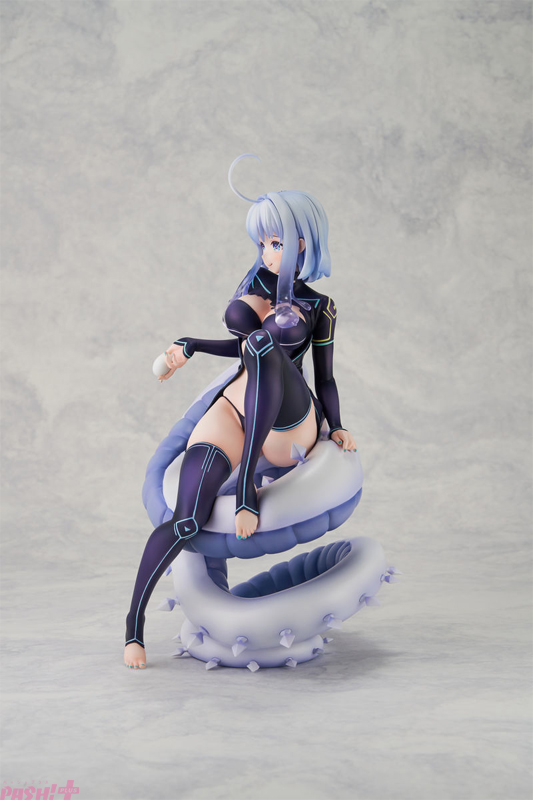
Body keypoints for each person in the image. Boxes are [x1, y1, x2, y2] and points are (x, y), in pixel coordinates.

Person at [124, 160, 356, 669]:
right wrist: (192, 345)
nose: (267, 253)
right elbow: (242, 349)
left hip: (289, 422)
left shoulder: (320, 307)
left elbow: (325, 377)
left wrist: (336, 425)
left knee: (267, 346)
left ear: (303, 243)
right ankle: (133, 628)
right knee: (187, 519)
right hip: (237, 404)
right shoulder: (255, 282)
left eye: (277, 242)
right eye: (263, 243)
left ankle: (247, 482)